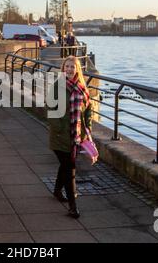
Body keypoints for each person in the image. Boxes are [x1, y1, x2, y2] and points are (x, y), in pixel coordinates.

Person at [47, 56, 93, 219]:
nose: (69, 69)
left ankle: (57, 190)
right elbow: (51, 110)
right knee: (70, 168)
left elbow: (88, 109)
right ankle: (73, 206)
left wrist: (87, 129)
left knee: (66, 166)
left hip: (76, 136)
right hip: (60, 136)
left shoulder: (82, 88)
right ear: (63, 68)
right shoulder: (57, 87)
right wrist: (60, 129)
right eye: (67, 66)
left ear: (77, 69)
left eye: (73, 67)